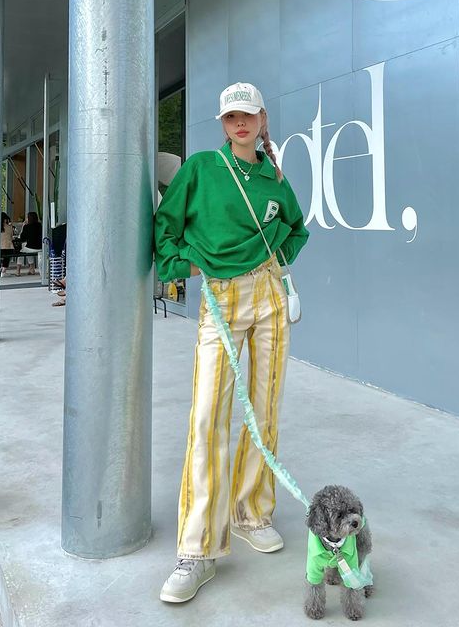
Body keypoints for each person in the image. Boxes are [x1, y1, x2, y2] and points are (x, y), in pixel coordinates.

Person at [154, 82, 309, 604]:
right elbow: (166, 225)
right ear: (222, 123)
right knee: (206, 417)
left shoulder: (273, 178)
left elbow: (297, 228)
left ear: (262, 119)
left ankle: (251, 512)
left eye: (247, 115)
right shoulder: (201, 168)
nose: (239, 124)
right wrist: (185, 265)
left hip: (267, 295)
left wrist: (275, 260)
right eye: (229, 117)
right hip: (219, 300)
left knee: (264, 410)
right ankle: (196, 550)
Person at [16, 211, 42, 276]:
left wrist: (23, 226)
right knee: (26, 247)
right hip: (40, 248)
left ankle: (18, 270)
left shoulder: (27, 226)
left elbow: (22, 238)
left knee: (22, 250)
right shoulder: (39, 225)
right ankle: (32, 268)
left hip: (30, 248)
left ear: (29, 218)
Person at [0, 212, 13, 277]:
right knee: (7, 256)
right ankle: (3, 271)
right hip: (8, 248)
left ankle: (0, 269)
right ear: (5, 219)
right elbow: (11, 237)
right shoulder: (9, 227)